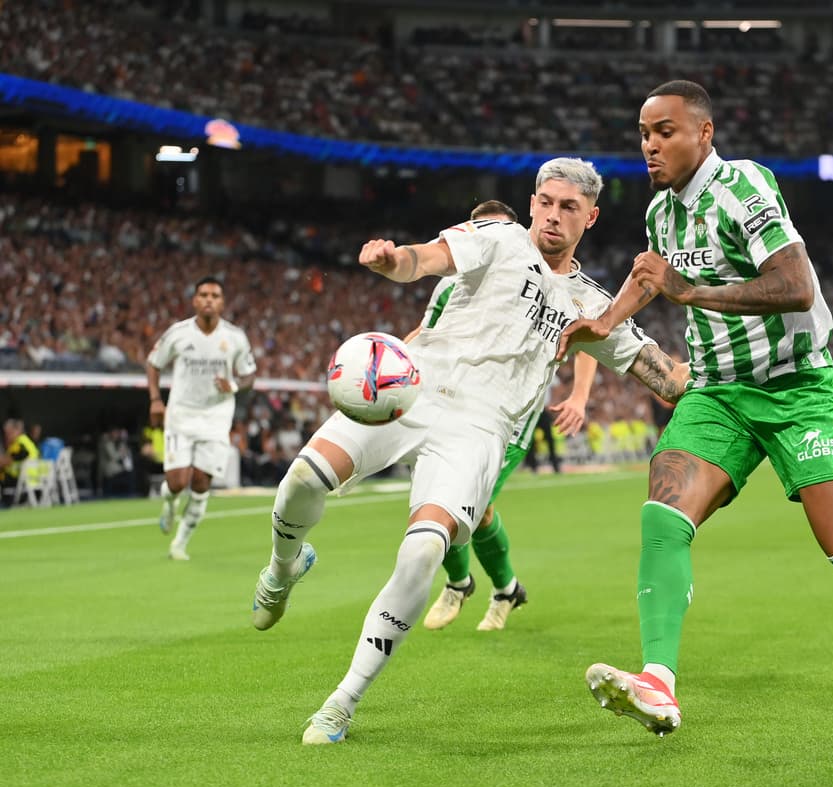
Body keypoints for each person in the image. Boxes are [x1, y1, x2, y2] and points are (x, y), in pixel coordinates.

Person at [557, 80, 833, 737]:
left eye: (665, 132)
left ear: (703, 133)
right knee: (663, 511)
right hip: (718, 394)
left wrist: (693, 292)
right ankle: (658, 682)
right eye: (644, 134)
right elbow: (653, 279)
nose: (650, 145)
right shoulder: (661, 214)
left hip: (796, 388)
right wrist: (605, 320)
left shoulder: (744, 188)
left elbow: (796, 287)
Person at [250, 157, 691, 745]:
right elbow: (426, 257)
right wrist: (393, 260)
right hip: (416, 387)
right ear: (531, 203)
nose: (553, 216)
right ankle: (283, 569)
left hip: (479, 430)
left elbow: (665, 379)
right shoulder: (499, 237)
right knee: (302, 480)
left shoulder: (593, 304)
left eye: (568, 207)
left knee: (423, 554)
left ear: (591, 216)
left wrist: (732, 351)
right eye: (545, 202)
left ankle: (340, 703)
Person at [410, 199, 600, 633]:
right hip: (447, 406)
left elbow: (589, 333)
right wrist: (388, 365)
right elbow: (426, 334)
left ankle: (471, 585)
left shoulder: (544, 281)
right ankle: (498, 588)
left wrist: (580, 395)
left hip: (509, 419)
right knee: (444, 500)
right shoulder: (449, 283)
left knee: (463, 504)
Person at [147, 276, 257, 560]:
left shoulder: (235, 337)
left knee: (200, 483)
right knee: (176, 481)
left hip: (216, 418)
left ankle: (179, 544)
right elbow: (153, 363)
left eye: (215, 295)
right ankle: (169, 504)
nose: (209, 299)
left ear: (222, 302)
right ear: (195, 300)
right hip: (181, 415)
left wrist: (233, 386)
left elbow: (248, 375)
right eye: (204, 294)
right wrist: (156, 400)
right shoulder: (178, 333)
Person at [0, 418, 39, 507]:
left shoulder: (20, 443)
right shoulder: (23, 440)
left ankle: (4, 503)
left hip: (23, 478)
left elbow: (13, 458)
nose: (7, 436)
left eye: (9, 432)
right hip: (27, 477)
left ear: (17, 431)